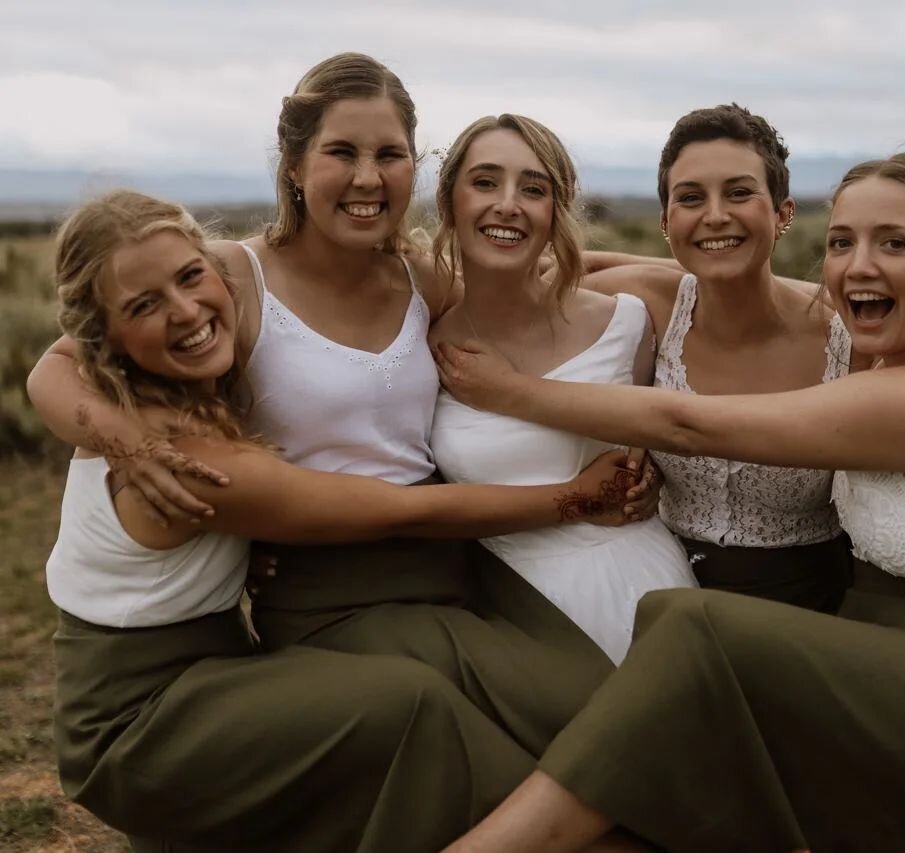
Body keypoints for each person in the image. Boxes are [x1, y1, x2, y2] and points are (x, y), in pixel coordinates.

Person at [28, 54, 628, 772]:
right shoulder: (228, 275)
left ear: (414, 165)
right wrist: (130, 443)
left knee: (593, 706)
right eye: (341, 152)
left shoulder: (422, 276)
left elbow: (550, 273)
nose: (367, 178)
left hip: (455, 557)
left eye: (389, 154)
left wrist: (704, 280)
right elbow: (55, 367)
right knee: (536, 738)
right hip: (331, 587)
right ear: (293, 165)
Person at [45, 190, 640, 853]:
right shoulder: (173, 451)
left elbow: (513, 275)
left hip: (212, 668)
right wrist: (570, 497)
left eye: (189, 276)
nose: (184, 311)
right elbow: (392, 510)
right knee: (404, 704)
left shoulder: (160, 393)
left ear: (216, 266)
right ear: (105, 336)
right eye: (143, 306)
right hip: (139, 719)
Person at [435, 151, 905, 852]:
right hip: (891, 649)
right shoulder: (901, 345)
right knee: (667, 614)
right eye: (842, 242)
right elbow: (617, 268)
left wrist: (509, 392)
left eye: (895, 243)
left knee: (697, 629)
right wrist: (487, 261)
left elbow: (689, 425)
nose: (858, 266)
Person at [429, 114, 695, 663]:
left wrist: (657, 476)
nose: (508, 204)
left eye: (534, 189)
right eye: (485, 182)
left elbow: (658, 437)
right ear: (448, 200)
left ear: (556, 211)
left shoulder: (626, 323)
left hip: (642, 587)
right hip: (500, 614)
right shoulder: (422, 345)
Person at [579, 104, 857, 612]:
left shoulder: (845, 332)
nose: (714, 214)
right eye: (691, 198)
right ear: (666, 221)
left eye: (738, 192)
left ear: (783, 213)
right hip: (655, 580)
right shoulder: (659, 303)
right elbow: (542, 276)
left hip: (809, 601)